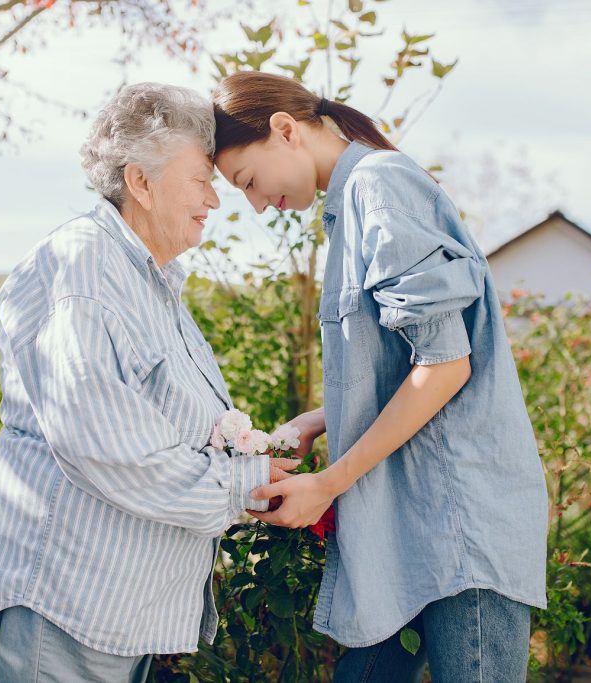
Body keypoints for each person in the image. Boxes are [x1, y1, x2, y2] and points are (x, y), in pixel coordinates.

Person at [212, 71, 549, 682]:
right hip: (400, 525)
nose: (257, 204)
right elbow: (402, 364)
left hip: (457, 527)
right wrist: (318, 421)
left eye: (250, 182)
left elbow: (445, 367)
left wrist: (329, 483)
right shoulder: (347, 207)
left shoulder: (381, 186)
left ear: (284, 130)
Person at [0, 82, 299, 682]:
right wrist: (238, 485)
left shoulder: (146, 278)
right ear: (140, 182)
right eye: (201, 180)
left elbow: (161, 420)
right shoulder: (86, 267)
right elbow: (102, 439)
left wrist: (261, 456)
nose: (214, 203)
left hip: (115, 603)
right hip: (74, 600)